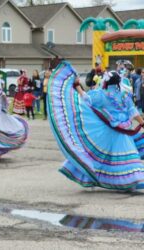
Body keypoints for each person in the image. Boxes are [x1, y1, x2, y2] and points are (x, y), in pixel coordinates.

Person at [48, 61, 144, 191]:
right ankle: (131, 180)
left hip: (108, 130)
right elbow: (133, 111)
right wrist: (142, 123)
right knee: (126, 156)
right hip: (123, 132)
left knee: (99, 155)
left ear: (106, 82)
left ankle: (103, 177)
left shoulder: (101, 94)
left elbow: (86, 100)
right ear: (118, 82)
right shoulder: (125, 95)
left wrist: (77, 87)